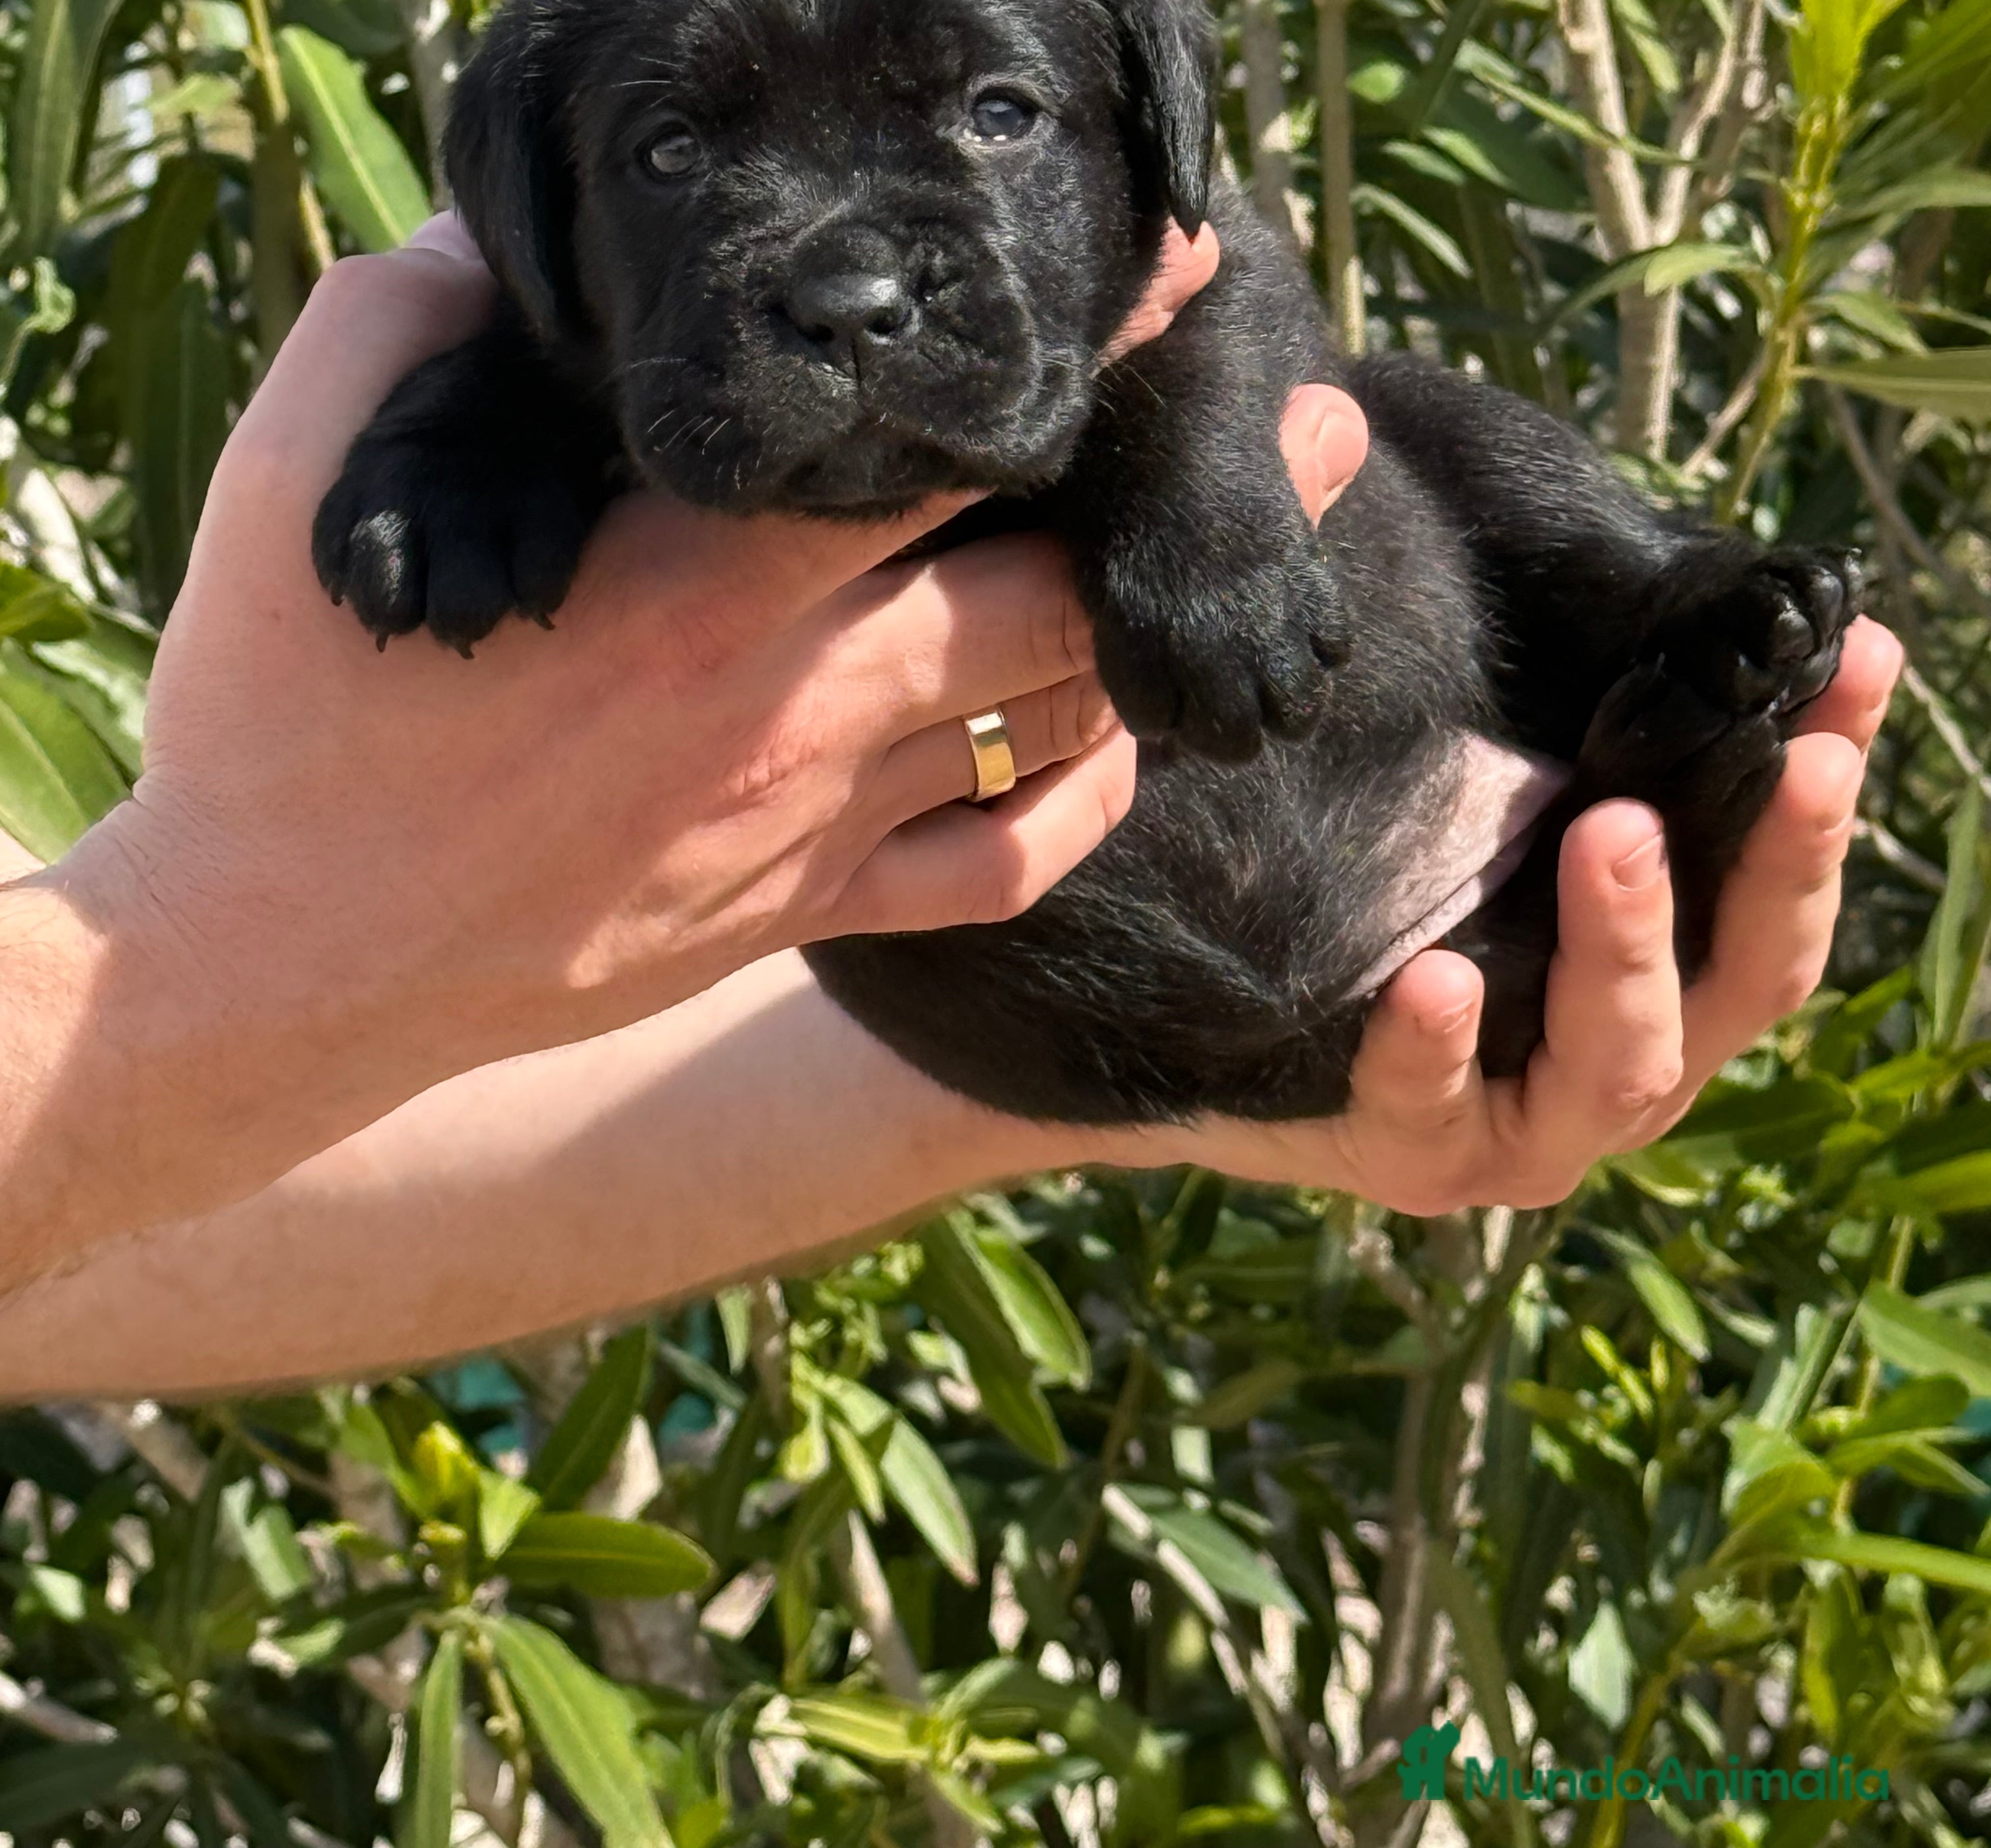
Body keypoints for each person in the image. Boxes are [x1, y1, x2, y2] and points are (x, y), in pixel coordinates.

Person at [0, 217, 1898, 1394]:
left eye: (997, 115)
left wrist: (1183, 1069)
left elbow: (87, 1244)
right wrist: (222, 966)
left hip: (1416, 835)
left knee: (1413, 435)